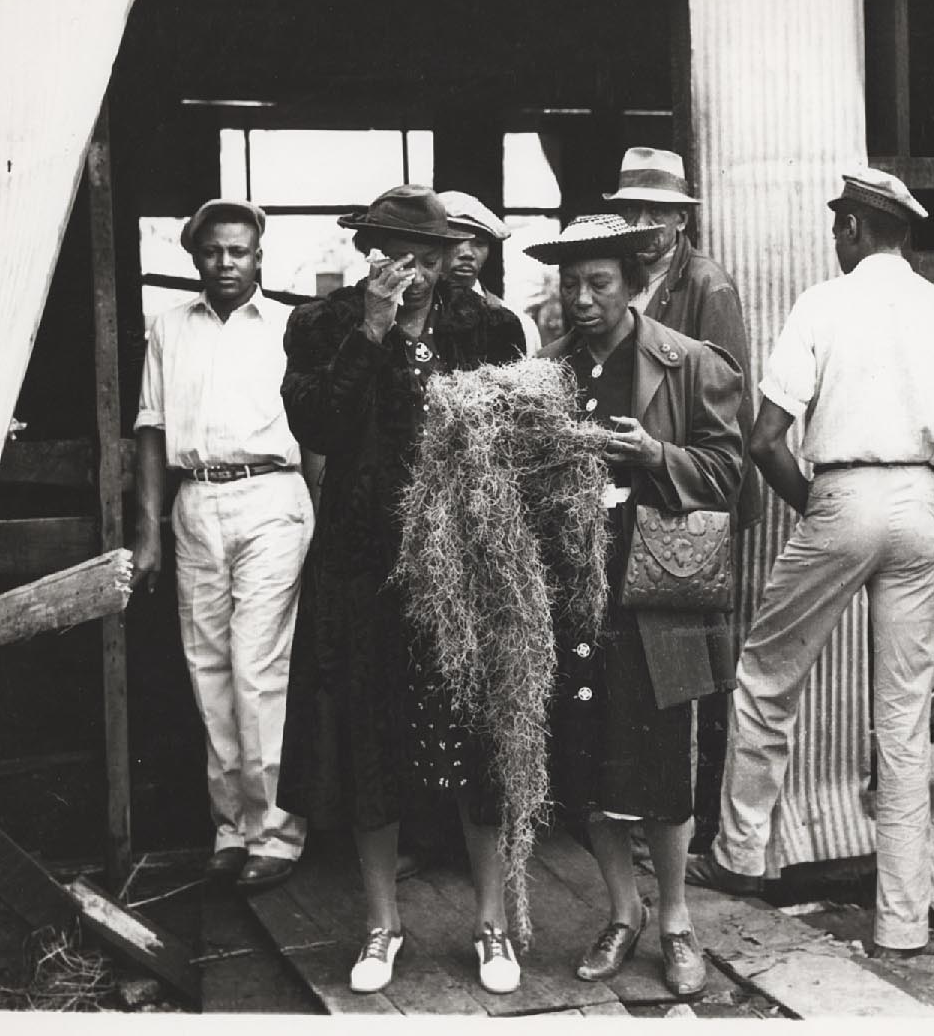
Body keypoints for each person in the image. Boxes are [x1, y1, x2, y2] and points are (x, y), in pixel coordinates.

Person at [688, 170, 934, 959]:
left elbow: (765, 440)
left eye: (839, 226)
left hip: (842, 494)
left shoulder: (822, 304)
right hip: (921, 502)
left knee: (766, 678)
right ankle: (901, 921)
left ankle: (739, 856)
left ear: (852, 229)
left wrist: (819, 508)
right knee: (902, 716)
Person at [276, 186, 527, 995]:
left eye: (425, 254)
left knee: (478, 738)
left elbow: (514, 436)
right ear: (367, 252)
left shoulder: (487, 325)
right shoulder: (322, 325)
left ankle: (491, 923)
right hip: (364, 563)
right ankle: (382, 925)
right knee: (369, 741)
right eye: (393, 253)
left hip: (465, 563)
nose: (410, 269)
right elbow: (317, 426)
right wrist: (373, 329)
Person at [526, 214, 745, 997]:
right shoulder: (544, 372)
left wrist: (655, 455)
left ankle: (677, 920)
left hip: (657, 591)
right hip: (572, 593)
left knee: (661, 763)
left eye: (598, 284)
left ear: (634, 285)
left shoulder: (689, 363)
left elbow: (729, 474)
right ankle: (623, 911)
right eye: (570, 285)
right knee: (585, 759)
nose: (582, 300)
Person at [131, 199, 313, 892]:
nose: (226, 263)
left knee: (256, 666)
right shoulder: (169, 328)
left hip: (271, 495)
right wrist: (148, 531)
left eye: (239, 251)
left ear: (259, 256)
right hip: (197, 500)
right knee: (207, 667)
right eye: (213, 251)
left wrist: (318, 512)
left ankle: (276, 832)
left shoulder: (290, 326)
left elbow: (317, 427)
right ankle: (231, 828)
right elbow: (151, 430)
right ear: (195, 257)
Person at [604, 144, 762, 835]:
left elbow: (727, 398)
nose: (642, 225)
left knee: (692, 667)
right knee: (639, 661)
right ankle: (643, 810)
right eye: (632, 212)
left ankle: (692, 823)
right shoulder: (629, 277)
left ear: (680, 219)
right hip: (636, 492)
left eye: (655, 213)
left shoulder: (705, 285)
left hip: (688, 494)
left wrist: (674, 460)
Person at [437, 189, 544, 356]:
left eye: (479, 243)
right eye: (455, 241)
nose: (467, 253)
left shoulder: (519, 324)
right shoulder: (408, 315)